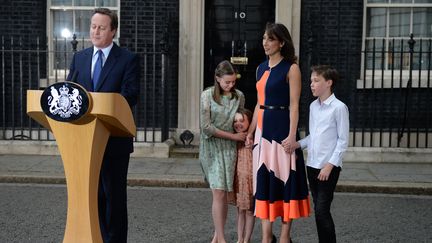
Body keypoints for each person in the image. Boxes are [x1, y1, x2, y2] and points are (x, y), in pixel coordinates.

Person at [66, 8, 140, 243]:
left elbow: (130, 95)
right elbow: (71, 93)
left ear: (113, 31)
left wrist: (100, 103)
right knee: (92, 196)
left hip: (114, 140)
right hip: (84, 140)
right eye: (93, 26)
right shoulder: (80, 58)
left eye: (102, 27)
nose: (95, 31)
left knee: (114, 197)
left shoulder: (128, 59)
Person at [246, 22, 310, 243]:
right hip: (262, 134)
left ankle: (284, 237)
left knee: (284, 181)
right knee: (264, 181)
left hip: (282, 131)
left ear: (281, 42)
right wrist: (250, 131)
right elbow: (258, 104)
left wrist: (292, 136)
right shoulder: (260, 68)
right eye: (264, 38)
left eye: (270, 39)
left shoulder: (291, 68)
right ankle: (266, 238)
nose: (265, 43)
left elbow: (294, 105)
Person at [293, 65, 349, 243]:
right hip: (312, 166)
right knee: (319, 210)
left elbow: (342, 141)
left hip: (328, 168)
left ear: (329, 83)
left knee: (322, 210)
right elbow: (313, 136)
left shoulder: (339, 108)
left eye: (316, 80)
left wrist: (329, 166)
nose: (311, 84)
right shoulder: (313, 106)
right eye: (311, 81)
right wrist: (297, 145)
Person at [200, 60, 246, 243]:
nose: (231, 85)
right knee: (218, 192)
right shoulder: (207, 95)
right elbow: (206, 127)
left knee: (225, 194)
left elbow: (242, 121)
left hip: (230, 150)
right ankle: (222, 239)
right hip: (212, 148)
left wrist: (245, 135)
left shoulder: (239, 96)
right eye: (227, 82)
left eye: (233, 81)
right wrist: (233, 137)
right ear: (217, 79)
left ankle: (217, 237)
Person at [228, 108, 255, 243]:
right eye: (235, 121)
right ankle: (239, 239)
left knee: (250, 211)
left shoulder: (254, 139)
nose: (238, 124)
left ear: (250, 122)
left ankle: (247, 239)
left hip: (251, 180)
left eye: (242, 120)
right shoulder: (233, 139)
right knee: (240, 211)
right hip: (238, 180)